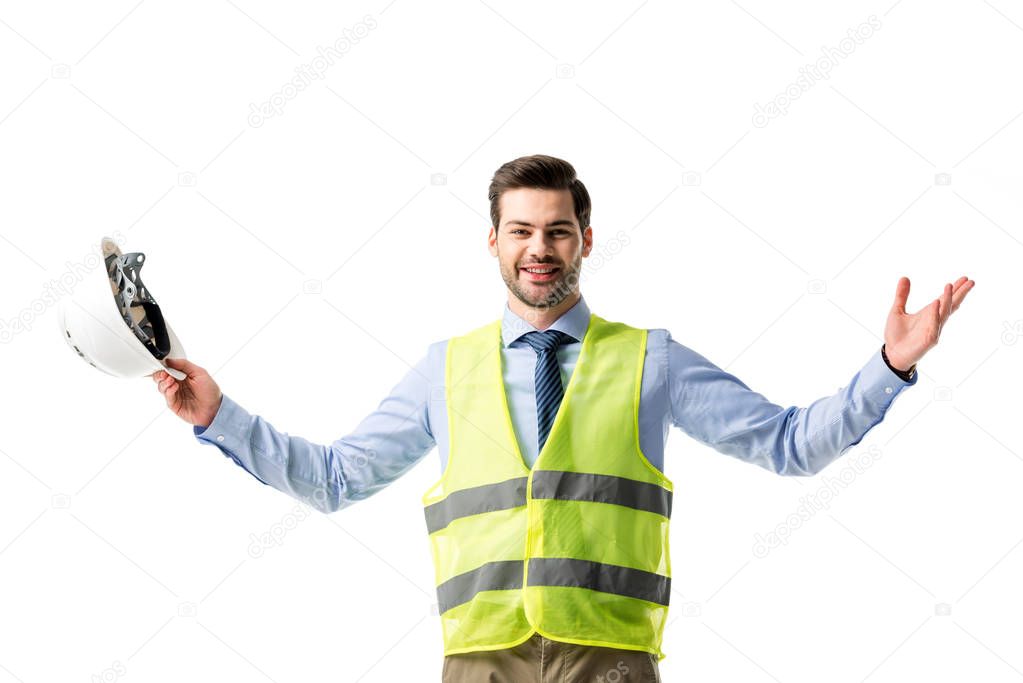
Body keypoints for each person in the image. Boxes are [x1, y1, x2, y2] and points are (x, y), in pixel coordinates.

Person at [152, 154, 974, 682]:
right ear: (493, 241)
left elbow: (790, 444)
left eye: (555, 230)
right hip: (480, 664)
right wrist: (220, 415)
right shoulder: (445, 368)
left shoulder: (651, 358)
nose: (537, 248)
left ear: (585, 238)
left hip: (609, 663)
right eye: (520, 230)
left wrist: (890, 366)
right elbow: (337, 479)